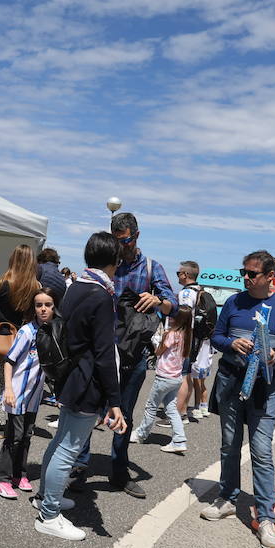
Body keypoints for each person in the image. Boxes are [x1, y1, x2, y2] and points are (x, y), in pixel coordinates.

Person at [200, 249, 275, 548]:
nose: (245, 277)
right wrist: (232, 342)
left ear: (270, 276)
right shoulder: (234, 302)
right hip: (231, 383)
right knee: (229, 446)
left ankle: (267, 516)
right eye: (243, 272)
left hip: (264, 388)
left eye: (252, 273)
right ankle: (228, 498)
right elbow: (216, 336)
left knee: (261, 451)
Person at [34, 232, 126, 541]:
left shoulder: (76, 287)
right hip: (87, 381)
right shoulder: (100, 294)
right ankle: (48, 514)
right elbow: (103, 352)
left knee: (60, 441)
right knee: (69, 448)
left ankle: (46, 497)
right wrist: (115, 399)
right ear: (114, 261)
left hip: (69, 376)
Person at [85, 212, 176, 499]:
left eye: (127, 240)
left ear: (137, 235)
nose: (123, 246)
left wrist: (158, 301)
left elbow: (173, 303)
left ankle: (119, 472)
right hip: (103, 350)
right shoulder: (107, 265)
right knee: (89, 411)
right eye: (118, 241)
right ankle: (78, 467)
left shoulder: (151, 267)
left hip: (134, 354)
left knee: (124, 413)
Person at [0, 289, 53, 499]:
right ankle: (0, 478)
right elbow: (9, 360)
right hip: (17, 393)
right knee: (14, 436)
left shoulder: (52, 331)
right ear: (33, 309)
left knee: (26, 436)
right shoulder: (27, 332)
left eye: (48, 305)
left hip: (34, 397)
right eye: (39, 305)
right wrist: (8, 388)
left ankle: (19, 474)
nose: (43, 309)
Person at [0, 245, 41, 438]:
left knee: (1, 380)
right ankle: (16, 420)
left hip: (4, 337)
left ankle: (0, 423)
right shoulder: (36, 287)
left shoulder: (4, 283)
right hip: (25, 338)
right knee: (21, 380)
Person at [133, 305, 193, 454]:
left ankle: (141, 434)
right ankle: (179, 440)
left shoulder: (172, 334)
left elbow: (158, 351)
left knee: (151, 406)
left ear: (177, 318)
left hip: (164, 377)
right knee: (171, 409)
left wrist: (160, 339)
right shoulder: (186, 334)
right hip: (176, 377)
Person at [173, 261, 217, 421]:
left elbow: (183, 318)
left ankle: (181, 412)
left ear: (185, 275)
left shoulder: (186, 294)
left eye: (179, 273)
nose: (178, 276)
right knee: (193, 376)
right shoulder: (201, 291)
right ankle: (193, 408)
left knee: (184, 376)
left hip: (187, 338)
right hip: (200, 340)